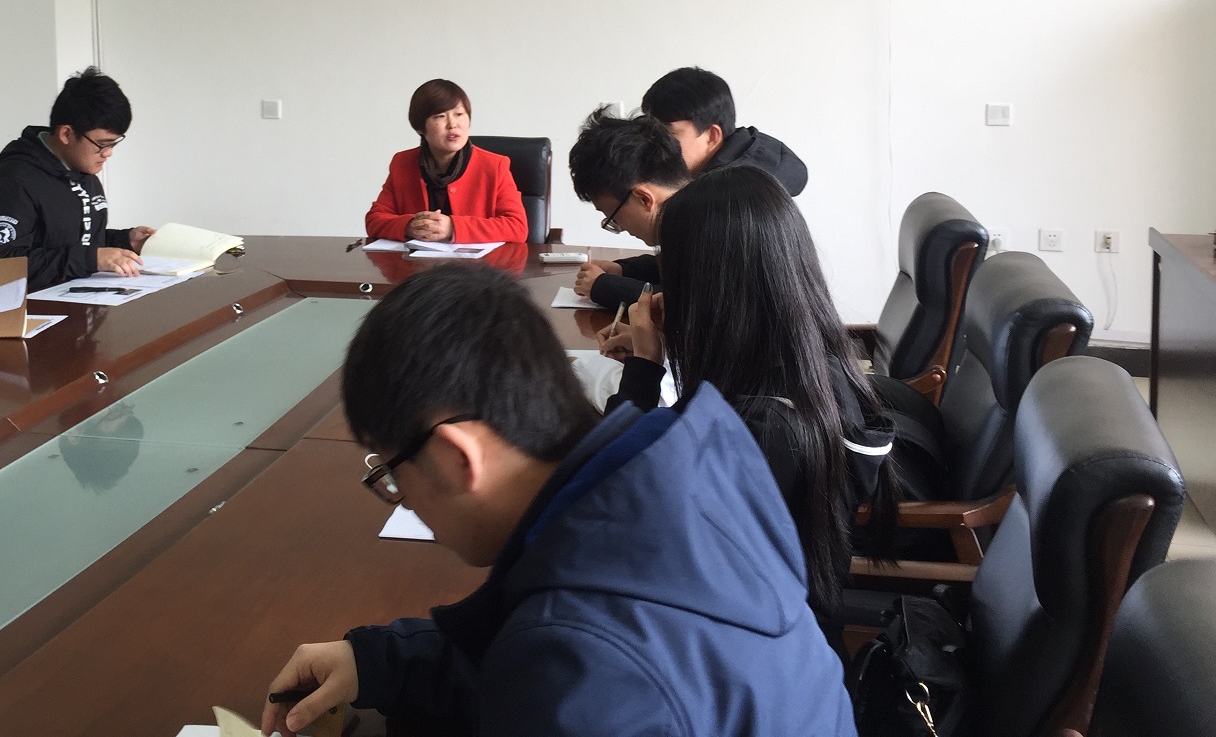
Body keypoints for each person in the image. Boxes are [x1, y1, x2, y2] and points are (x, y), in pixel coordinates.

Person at [260, 265, 856, 737]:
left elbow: (579, 667)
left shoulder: (581, 673)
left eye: (392, 475)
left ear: (457, 457)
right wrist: (382, 662)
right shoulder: (683, 475)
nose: (404, 501)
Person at [599, 165, 898, 643]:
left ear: (710, 289)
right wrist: (670, 348)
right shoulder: (811, 361)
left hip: (743, 650)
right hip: (760, 626)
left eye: (674, 272)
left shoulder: (760, 429)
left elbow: (613, 494)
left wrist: (644, 367)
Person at [0, 67, 155, 289]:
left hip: (80, 297)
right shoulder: (11, 184)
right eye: (101, 144)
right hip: (34, 305)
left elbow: (74, 242)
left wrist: (125, 241)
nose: (108, 153)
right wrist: (90, 260)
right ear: (66, 134)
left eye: (113, 144)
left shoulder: (83, 172)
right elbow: (1, 267)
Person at [364, 79, 527, 244]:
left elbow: (517, 227)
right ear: (420, 128)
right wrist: (410, 226)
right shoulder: (402, 163)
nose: (452, 124)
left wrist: (453, 227)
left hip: (477, 261)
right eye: (440, 116)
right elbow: (374, 220)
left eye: (459, 114)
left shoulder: (494, 165)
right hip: (416, 260)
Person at [566, 109, 690, 311]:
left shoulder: (718, 227)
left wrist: (603, 286)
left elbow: (688, 304)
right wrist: (623, 270)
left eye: (613, 218)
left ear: (644, 199)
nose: (621, 228)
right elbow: (679, 271)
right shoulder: (693, 216)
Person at [640, 66, 808, 195]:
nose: (653, 143)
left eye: (668, 134)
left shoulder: (729, 199)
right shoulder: (739, 156)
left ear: (712, 136)